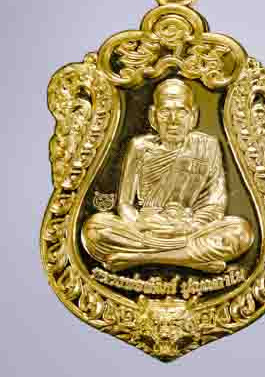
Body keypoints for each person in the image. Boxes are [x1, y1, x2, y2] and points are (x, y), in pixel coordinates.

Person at [82, 78, 253, 273]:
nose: (173, 120)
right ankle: (189, 259)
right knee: (95, 229)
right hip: (148, 229)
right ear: (153, 116)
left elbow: (214, 203)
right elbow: (125, 204)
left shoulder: (207, 146)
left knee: (240, 232)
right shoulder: (140, 147)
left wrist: (188, 226)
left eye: (181, 112)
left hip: (189, 230)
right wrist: (141, 223)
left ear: (193, 116)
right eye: (165, 112)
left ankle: (138, 258)